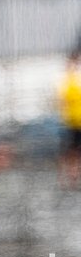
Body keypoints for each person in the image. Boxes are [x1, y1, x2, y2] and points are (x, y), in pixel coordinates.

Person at [60, 50, 81, 187]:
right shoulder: (68, 81)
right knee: (72, 150)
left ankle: (73, 175)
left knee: (73, 150)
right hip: (73, 122)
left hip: (75, 121)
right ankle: (70, 175)